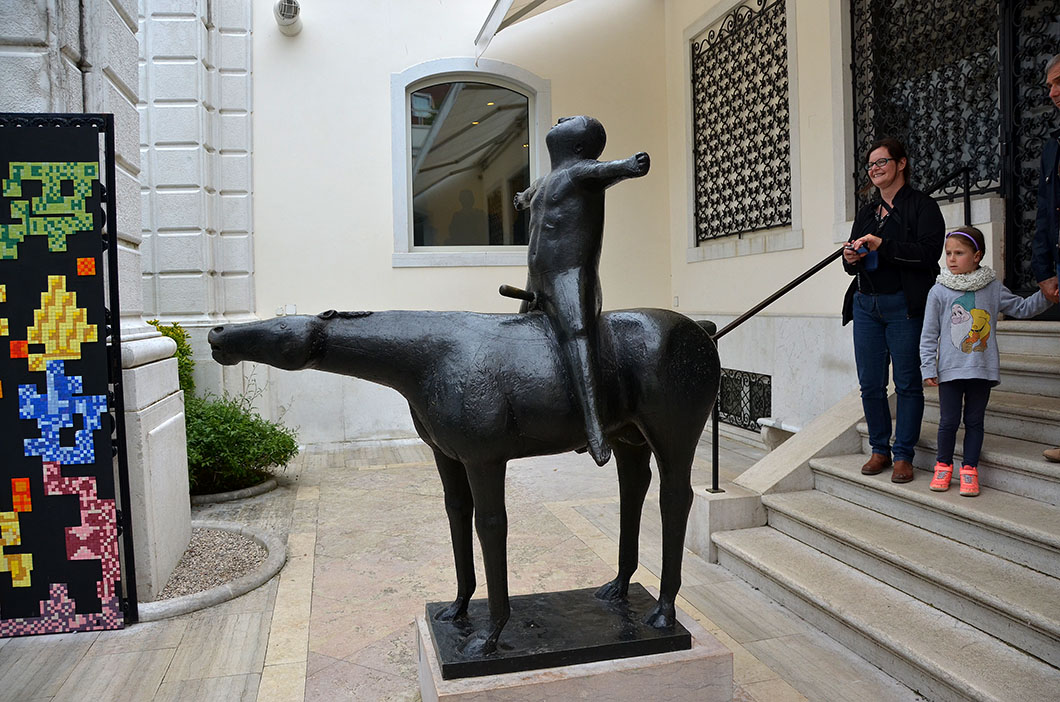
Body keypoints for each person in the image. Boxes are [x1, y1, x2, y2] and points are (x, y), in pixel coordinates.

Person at [514, 116, 650, 466]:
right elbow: (526, 199)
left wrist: (630, 166)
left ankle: (594, 427)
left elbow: (610, 171)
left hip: (569, 277)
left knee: (578, 338)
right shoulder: (543, 182)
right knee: (517, 337)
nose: (560, 119)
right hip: (538, 277)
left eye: (569, 121)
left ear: (577, 146)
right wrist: (521, 199)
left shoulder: (581, 172)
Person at [920, 227, 1053, 495]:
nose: (952, 259)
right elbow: (929, 333)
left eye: (959, 253)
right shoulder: (939, 291)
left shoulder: (992, 288)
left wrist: (1048, 295)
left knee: (975, 421)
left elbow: (1022, 308)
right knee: (948, 422)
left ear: (977, 255)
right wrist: (926, 366)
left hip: (981, 368)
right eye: (948, 254)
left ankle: (969, 470)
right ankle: (943, 467)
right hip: (950, 370)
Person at [842, 137, 945, 483]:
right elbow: (853, 265)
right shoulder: (867, 212)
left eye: (882, 162)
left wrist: (883, 245)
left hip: (904, 305)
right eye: (870, 165)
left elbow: (927, 255)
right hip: (866, 304)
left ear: (901, 164)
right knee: (870, 384)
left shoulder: (922, 206)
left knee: (907, 383)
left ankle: (903, 455)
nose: (875, 170)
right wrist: (851, 258)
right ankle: (879, 449)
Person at [1031, 54, 1060, 462]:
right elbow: (1044, 212)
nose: (1053, 93)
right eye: (1050, 86)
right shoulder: (1052, 147)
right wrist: (1043, 270)